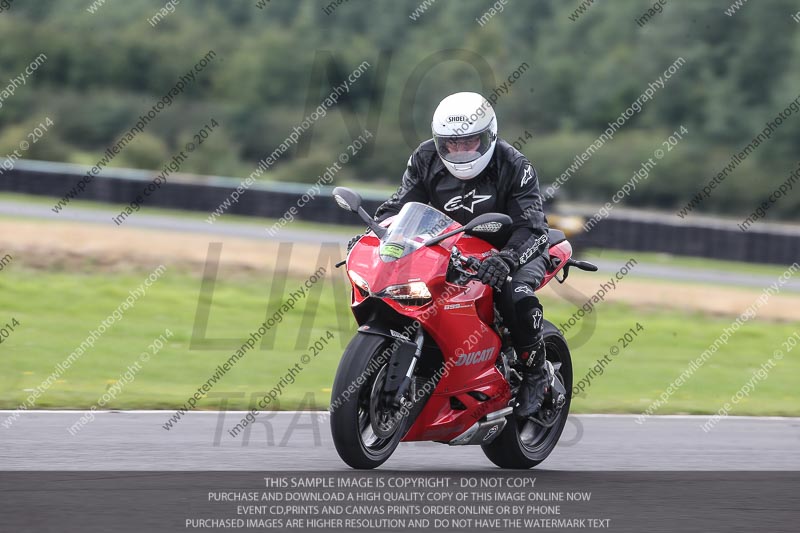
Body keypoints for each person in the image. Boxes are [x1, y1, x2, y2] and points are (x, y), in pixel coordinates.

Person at [350, 91, 551, 418]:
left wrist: (506, 260)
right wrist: (375, 236)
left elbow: (532, 225)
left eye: (469, 142)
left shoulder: (514, 165)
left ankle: (534, 373)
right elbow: (400, 205)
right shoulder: (425, 158)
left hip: (513, 246)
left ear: (489, 136)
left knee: (515, 293)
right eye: (451, 144)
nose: (459, 152)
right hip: (452, 246)